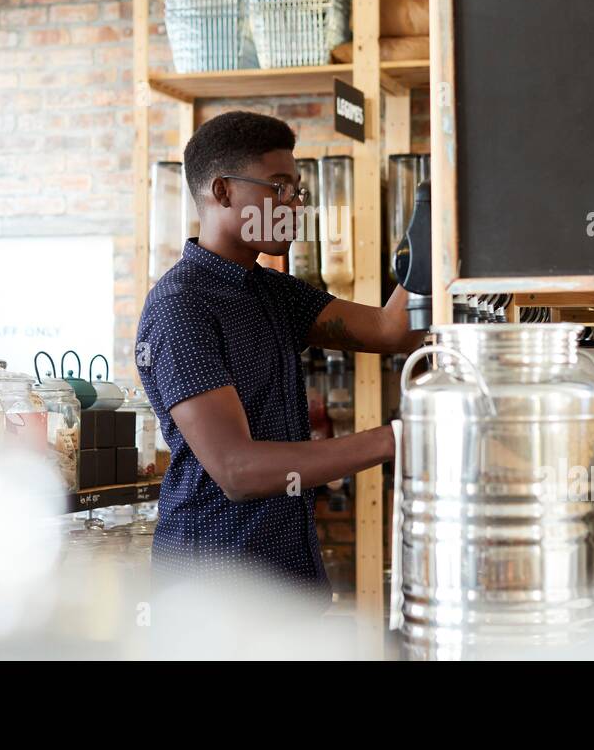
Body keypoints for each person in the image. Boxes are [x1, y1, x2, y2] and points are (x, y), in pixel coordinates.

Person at [136, 111, 424, 607]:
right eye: (279, 187)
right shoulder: (180, 307)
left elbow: (390, 329)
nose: (294, 205)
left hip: (291, 578)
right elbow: (237, 469)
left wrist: (431, 227)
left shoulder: (272, 292)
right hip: (217, 595)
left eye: (297, 191)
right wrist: (396, 439)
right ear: (223, 191)